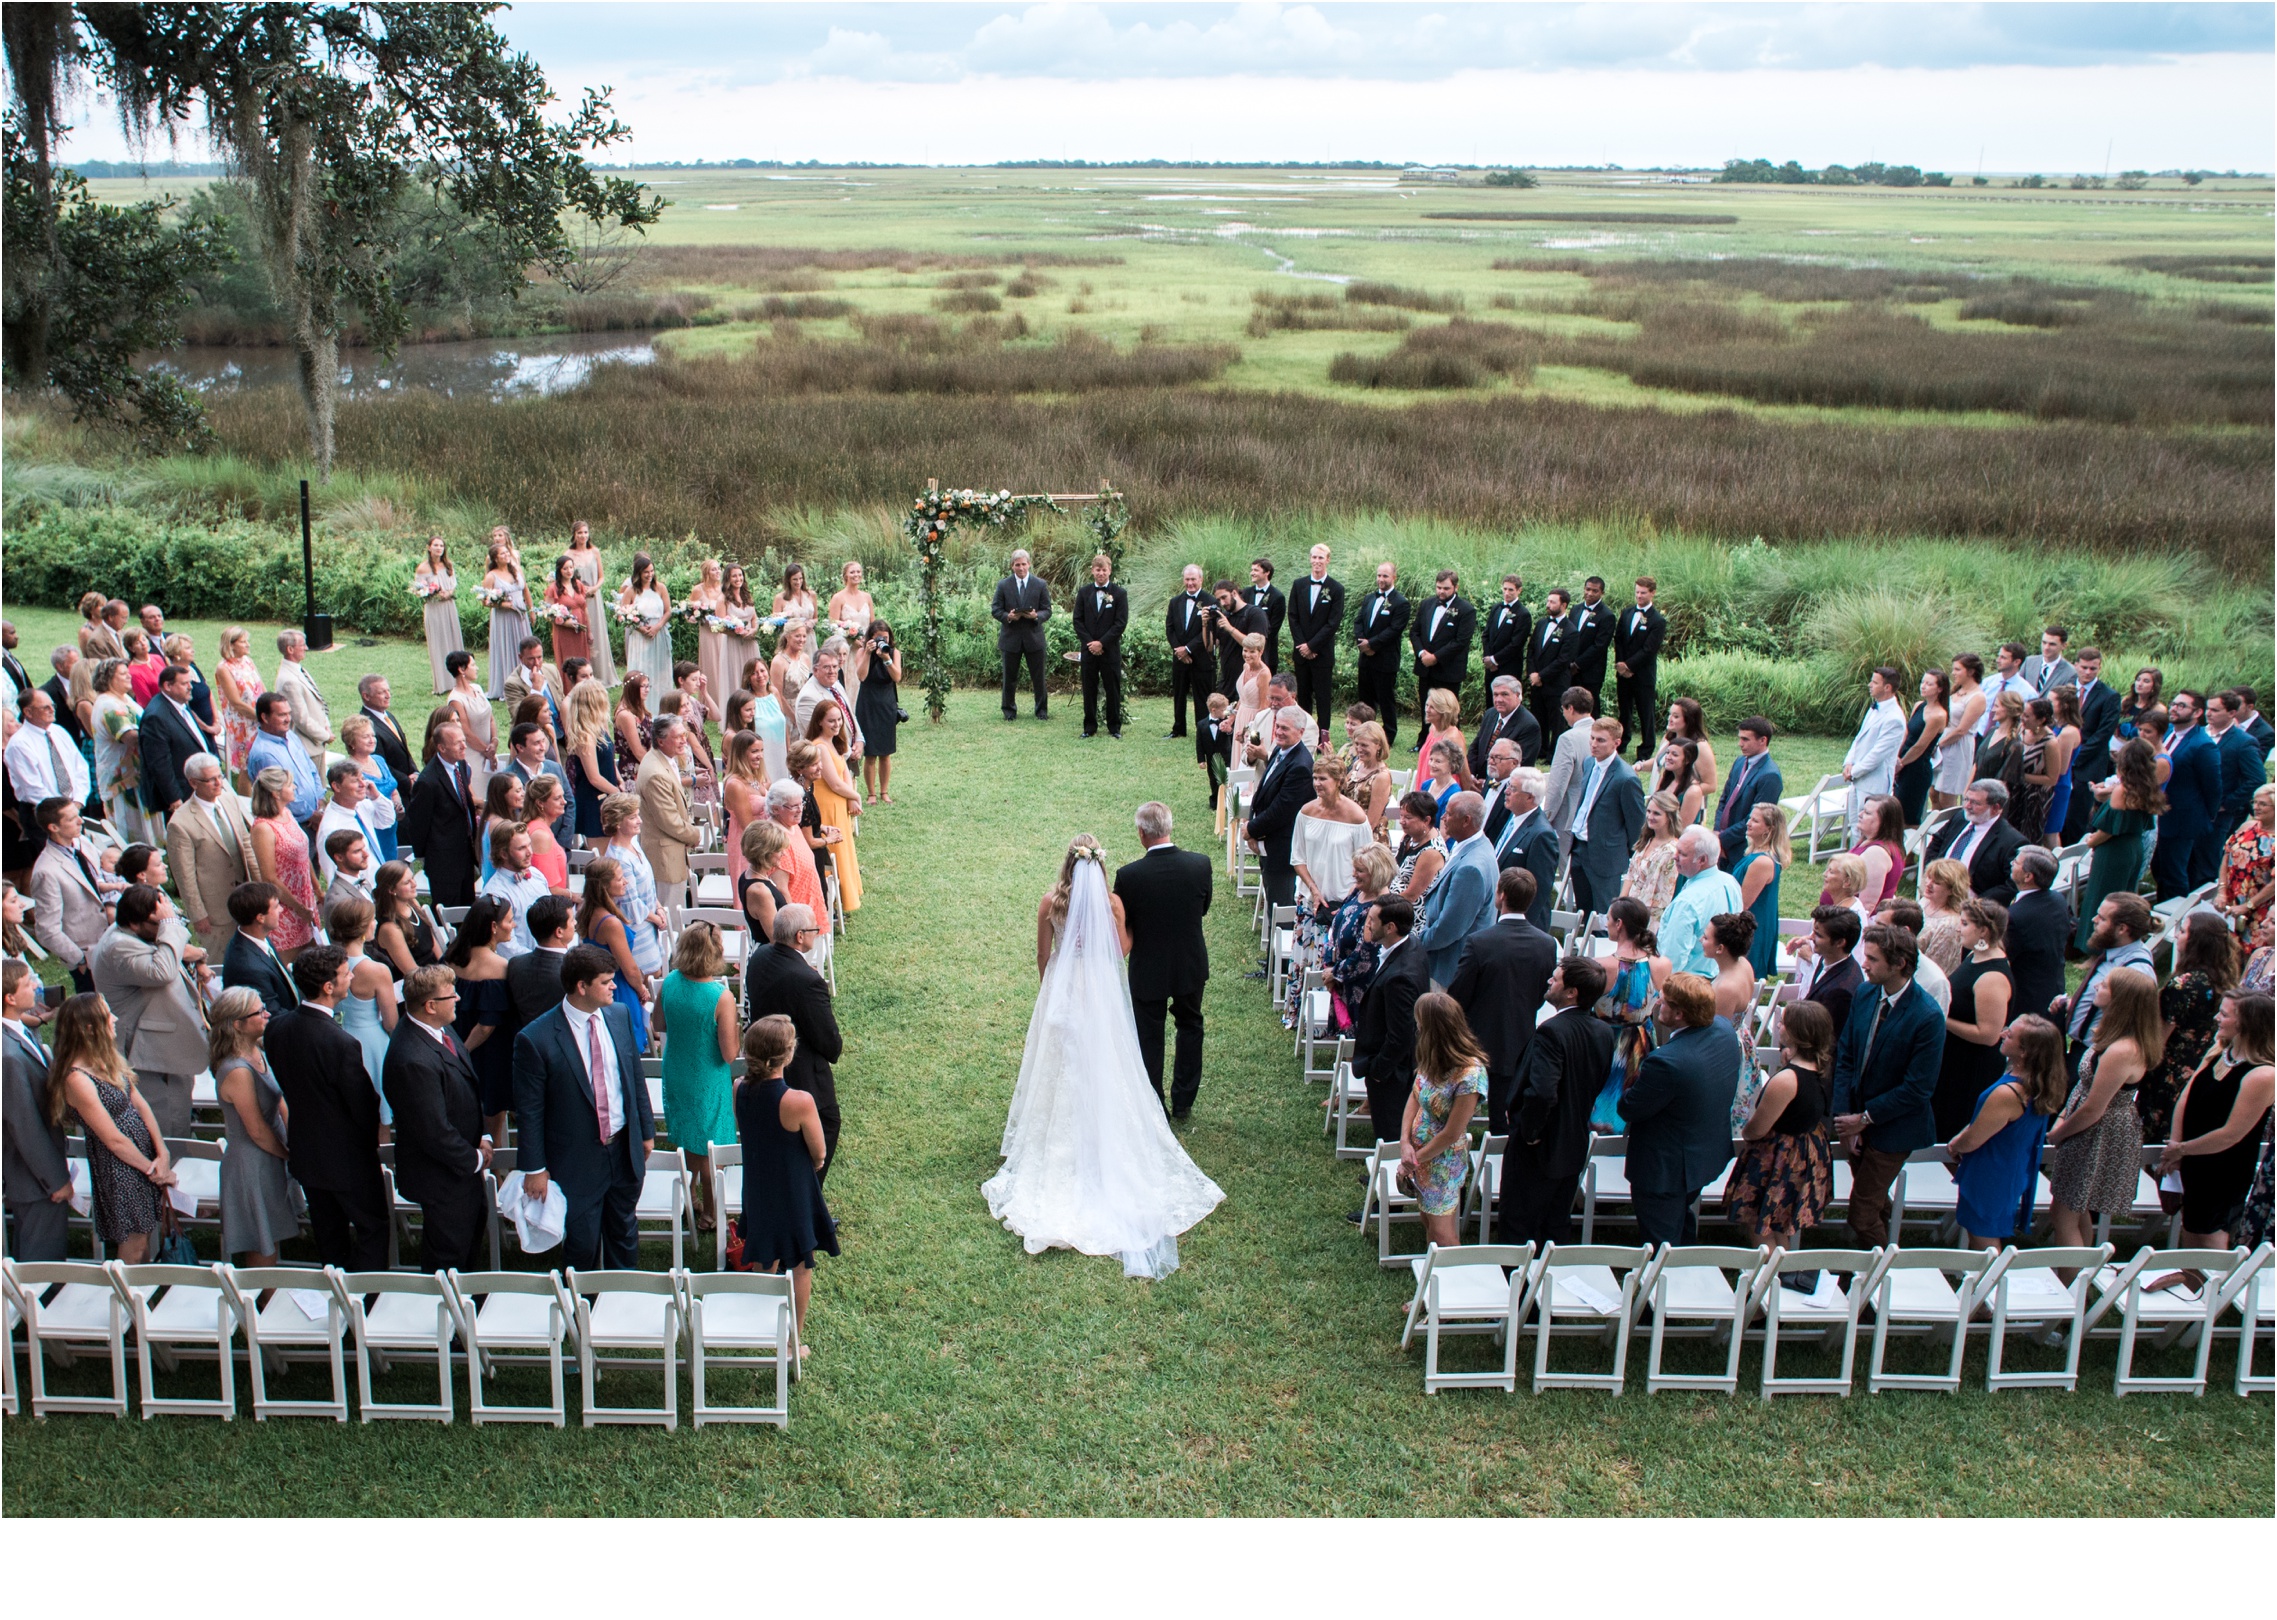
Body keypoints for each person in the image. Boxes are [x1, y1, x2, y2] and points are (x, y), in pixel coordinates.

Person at [986, 838, 1223, 1277]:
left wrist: (1051, 988)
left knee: (1059, 1066)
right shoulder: (1112, 903)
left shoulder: (1048, 902)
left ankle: (1059, 1141)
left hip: (1062, 990)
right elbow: (1119, 951)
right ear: (1099, 868)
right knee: (1107, 1061)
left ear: (1067, 865)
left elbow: (1043, 954)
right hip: (1097, 993)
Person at [1830, 923, 1947, 1249]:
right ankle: (1864, 1265)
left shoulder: (1927, 1016)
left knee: (1862, 1213)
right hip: (1854, 1121)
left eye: (1872, 959)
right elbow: (1847, 1055)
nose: (1863, 964)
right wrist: (1845, 1118)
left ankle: (1881, 1277)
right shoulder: (1866, 993)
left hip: (1893, 1128)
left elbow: (1918, 1089)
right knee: (1872, 1200)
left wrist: (1864, 1119)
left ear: (1900, 964)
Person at [734, 1013, 837, 1343]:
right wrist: (816, 1161)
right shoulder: (799, 1101)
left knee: (767, 1254)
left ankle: (766, 1324)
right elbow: (819, 1152)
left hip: (758, 1186)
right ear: (788, 1054)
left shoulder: (739, 1088)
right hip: (792, 1189)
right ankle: (793, 1340)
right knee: (800, 1267)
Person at [383, 963, 491, 1272]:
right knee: (448, 1254)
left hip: (459, 1168)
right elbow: (433, 1130)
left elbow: (467, 1085)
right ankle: (449, 1310)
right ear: (430, 1006)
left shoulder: (439, 1028)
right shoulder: (412, 1059)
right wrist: (475, 1158)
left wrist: (482, 1134)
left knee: (468, 1238)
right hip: (440, 1176)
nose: (457, 998)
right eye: (450, 995)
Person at [51, 993, 173, 1262]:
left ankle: (139, 1294)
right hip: (120, 1166)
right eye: (107, 1014)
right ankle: (126, 1298)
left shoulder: (108, 1058)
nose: (114, 1019)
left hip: (142, 1158)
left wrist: (162, 1153)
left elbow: (141, 1105)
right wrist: (153, 1170)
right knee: (134, 1242)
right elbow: (113, 1139)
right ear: (89, 1027)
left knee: (146, 1233)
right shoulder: (77, 1078)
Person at [1620, 972, 1739, 1247]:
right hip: (1703, 1155)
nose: (1658, 1002)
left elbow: (1630, 1107)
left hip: (1665, 1170)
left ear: (1679, 1014)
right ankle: (1686, 1259)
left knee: (1662, 1243)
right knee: (1681, 1217)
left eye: (1664, 1000)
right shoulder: (1723, 1029)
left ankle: (1663, 1284)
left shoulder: (1667, 1062)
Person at [2046, 965, 2160, 1250]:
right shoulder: (2112, 1035)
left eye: (2105, 985)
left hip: (2098, 1133)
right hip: (2088, 1127)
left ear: (2122, 999)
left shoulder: (2123, 1050)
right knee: (2076, 1207)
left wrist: (2059, 1134)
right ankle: (2080, 1277)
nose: (2096, 986)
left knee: (2063, 1215)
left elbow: (2094, 1108)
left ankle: (2072, 1286)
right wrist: (2062, 1115)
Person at [87, 883, 208, 1138]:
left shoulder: (133, 935)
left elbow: (169, 952)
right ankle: (173, 1162)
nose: (164, 928)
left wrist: (195, 952)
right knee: (167, 1114)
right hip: (146, 1051)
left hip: (161, 1044)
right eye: (158, 923)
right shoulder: (119, 946)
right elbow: (162, 971)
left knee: (178, 1104)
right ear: (134, 923)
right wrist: (171, 926)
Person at [2160, 991, 2275, 1252]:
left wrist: (2182, 1149)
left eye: (2224, 1014)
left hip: (2224, 1169)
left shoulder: (2262, 1074)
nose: (2216, 1018)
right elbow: (2186, 1095)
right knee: (2190, 1231)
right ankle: (2192, 1288)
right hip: (2194, 1159)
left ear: (2246, 1023)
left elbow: (2230, 1134)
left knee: (2211, 1237)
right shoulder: (2221, 1050)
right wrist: (2177, 1147)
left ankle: (2215, 1290)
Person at [1448, 867, 1558, 1135]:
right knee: (1503, 1114)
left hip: (1475, 1040)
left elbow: (1458, 994)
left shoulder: (1479, 942)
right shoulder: (1547, 944)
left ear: (1501, 895)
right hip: (1520, 1037)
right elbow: (1543, 991)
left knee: (1454, 1107)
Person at [1727, 997, 1835, 1259]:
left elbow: (1756, 1129)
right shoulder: (1820, 1066)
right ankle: (1784, 1271)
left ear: (1799, 1033)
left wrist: (1747, 1131)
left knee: (1758, 1221)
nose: (1779, 1027)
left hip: (1778, 1157)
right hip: (1804, 1151)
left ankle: (1769, 1280)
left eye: (1784, 1023)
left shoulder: (1787, 1081)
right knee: (1778, 1219)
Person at [1947, 1014, 2065, 1249]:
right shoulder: (2037, 1084)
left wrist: (1955, 1144)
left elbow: (1972, 1139)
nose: (2002, 1034)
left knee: (1983, 1238)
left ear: (2024, 1052)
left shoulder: (2008, 1094)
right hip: (2010, 1167)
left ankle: (1989, 1284)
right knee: (1984, 1233)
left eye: (2009, 1035)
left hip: (1990, 1172)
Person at [742, 907, 845, 1176]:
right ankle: (809, 1194)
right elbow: (830, 1044)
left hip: (761, 1058)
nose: (818, 933)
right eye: (814, 930)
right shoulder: (808, 981)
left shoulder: (760, 955)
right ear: (800, 936)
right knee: (827, 1124)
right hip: (799, 1071)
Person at [201, 987, 295, 1265]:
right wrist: (290, 1155)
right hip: (252, 1161)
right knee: (261, 1239)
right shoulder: (237, 1071)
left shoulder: (257, 1050)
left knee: (272, 1232)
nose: (267, 1014)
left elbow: (280, 1103)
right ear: (238, 1024)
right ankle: (264, 1300)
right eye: (259, 1011)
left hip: (270, 1149)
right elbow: (255, 1129)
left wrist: (293, 1137)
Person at [657, 920, 740, 1233]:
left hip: (677, 1068)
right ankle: (711, 1213)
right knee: (710, 1147)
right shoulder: (720, 996)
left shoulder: (671, 982)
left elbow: (659, 1024)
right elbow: (730, 1054)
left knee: (684, 1131)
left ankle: (690, 1194)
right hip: (707, 1076)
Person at [1394, 991, 1487, 1250]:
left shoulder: (1470, 1074)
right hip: (1417, 1156)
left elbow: (1451, 1133)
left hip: (1441, 1163)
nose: (1417, 1028)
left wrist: (1412, 1162)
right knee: (1428, 1222)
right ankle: (1434, 1279)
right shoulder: (1431, 1054)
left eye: (1420, 1024)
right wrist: (1404, 1142)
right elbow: (1415, 1094)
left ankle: (1456, 1283)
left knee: (1443, 1235)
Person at [1285, 751, 1375, 1021]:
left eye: (1322, 778)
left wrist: (1350, 896)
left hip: (1341, 902)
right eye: (1314, 777)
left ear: (1339, 780)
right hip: (1309, 898)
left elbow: (1368, 861)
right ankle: (1300, 1013)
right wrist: (1312, 889)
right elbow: (1297, 858)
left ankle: (1330, 1021)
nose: (1317, 783)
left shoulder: (1357, 817)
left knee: (1331, 961)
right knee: (1305, 957)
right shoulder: (1306, 811)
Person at [2140, 910, 2239, 1143]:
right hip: (2200, 1067)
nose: (2178, 935)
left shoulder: (2183, 985)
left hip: (2167, 1072)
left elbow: (2160, 1037)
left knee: (2151, 1140)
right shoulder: (2222, 979)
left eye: (2183, 931)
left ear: (2197, 942)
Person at [1351, 896, 1429, 1158]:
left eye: (1373, 920)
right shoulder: (1411, 946)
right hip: (1394, 1065)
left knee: (1391, 1129)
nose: (1368, 924)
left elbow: (1400, 1035)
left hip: (1393, 1071)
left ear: (1391, 927)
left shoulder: (1400, 978)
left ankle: (1387, 1189)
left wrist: (1378, 1071)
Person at [2, 961, 71, 1259]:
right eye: (28, 982)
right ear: (10, 998)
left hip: (35, 1174)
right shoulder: (8, 1055)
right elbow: (24, 1124)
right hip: (33, 1179)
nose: (35, 985)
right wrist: (54, 1179)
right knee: (41, 1264)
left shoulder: (19, 1032)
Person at [1934, 897, 2014, 1138]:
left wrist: (1941, 1019)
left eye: (1965, 923)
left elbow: (1988, 1035)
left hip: (1970, 1067)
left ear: (1984, 931)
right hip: (1954, 1057)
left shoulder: (1992, 977)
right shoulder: (1974, 955)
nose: (1959, 928)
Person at [27, 797, 112, 990]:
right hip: (89, 959)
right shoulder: (46, 871)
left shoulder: (83, 843)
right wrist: (80, 959)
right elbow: (47, 930)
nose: (81, 821)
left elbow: (100, 881)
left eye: (78, 815)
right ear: (54, 827)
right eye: (72, 819)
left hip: (113, 943)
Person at [575, 856, 655, 1054]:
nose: (625, 882)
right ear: (604, 886)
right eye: (620, 879)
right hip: (619, 987)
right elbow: (628, 967)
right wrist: (641, 988)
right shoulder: (610, 923)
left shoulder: (587, 910)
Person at [1243, 707, 1316, 916]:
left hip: (1284, 846)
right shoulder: (1279, 750)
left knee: (1281, 906)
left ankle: (1279, 947)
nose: (1279, 732)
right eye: (1277, 726)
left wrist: (1252, 829)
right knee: (1271, 897)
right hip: (1268, 838)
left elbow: (1282, 810)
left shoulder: (1301, 766)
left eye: (1285, 728)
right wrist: (1252, 826)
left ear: (1301, 732)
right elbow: (1262, 791)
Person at [402, 719, 481, 907]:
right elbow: (418, 823)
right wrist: (428, 856)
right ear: (442, 748)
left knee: (467, 907)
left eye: (464, 740)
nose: (464, 746)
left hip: (465, 852)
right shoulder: (428, 782)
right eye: (457, 743)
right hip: (443, 862)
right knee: (450, 909)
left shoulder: (459, 765)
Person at [2152, 689, 2222, 900]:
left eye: (2182, 706)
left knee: (2174, 872)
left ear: (2198, 712)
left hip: (2183, 817)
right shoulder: (2168, 733)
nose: (2174, 708)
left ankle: (2175, 918)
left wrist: (2207, 815)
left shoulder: (2203, 745)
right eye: (2173, 703)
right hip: (2159, 811)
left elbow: (2213, 786)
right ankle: (2160, 908)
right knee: (2158, 867)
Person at [246, 764, 318, 955]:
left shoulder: (287, 813)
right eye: (290, 785)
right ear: (276, 793)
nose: (294, 787)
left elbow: (303, 854)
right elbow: (269, 877)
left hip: (305, 898)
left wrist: (317, 889)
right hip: (286, 905)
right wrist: (299, 908)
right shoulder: (263, 828)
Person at [801, 705, 864, 914]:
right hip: (827, 806)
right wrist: (856, 796)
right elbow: (834, 783)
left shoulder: (833, 743)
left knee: (844, 850)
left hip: (839, 803)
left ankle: (845, 897)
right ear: (820, 722)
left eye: (839, 720)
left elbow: (845, 771)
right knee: (835, 852)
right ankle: (834, 900)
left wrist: (851, 800)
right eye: (831, 721)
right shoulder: (819, 747)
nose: (837, 724)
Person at [1659, 827, 1745, 979]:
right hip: (1721, 975)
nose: (1674, 857)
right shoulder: (1730, 882)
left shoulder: (1687, 903)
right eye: (1676, 850)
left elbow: (1672, 959)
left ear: (1702, 860)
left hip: (1688, 985)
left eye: (1683, 854)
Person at [1925, 778, 2027, 904]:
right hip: (1936, 892)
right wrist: (1932, 874)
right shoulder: (1960, 818)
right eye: (1966, 799)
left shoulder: (2012, 841)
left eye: (1975, 803)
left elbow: (2013, 884)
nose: (1967, 806)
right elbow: (1937, 842)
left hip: (1971, 903)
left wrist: (1978, 901)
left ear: (1995, 808)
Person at [1350, 562, 1410, 747]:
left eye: (1385, 576)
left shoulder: (1401, 603)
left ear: (1394, 578)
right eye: (1379, 576)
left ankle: (1388, 735)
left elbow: (1394, 630)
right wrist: (1362, 642)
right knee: (1365, 699)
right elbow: (1358, 621)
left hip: (1385, 659)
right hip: (1366, 658)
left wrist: (1373, 644)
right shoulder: (1369, 598)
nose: (1381, 579)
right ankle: (1365, 732)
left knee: (1386, 699)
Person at [988, 548, 1052, 720]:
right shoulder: (1003, 585)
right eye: (1017, 565)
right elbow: (995, 609)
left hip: (1034, 638)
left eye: (1024, 564)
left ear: (1029, 564)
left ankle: (1041, 711)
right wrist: (1007, 616)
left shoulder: (1040, 584)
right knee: (1009, 679)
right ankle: (1009, 712)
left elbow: (1047, 610)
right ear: (1012, 566)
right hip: (1011, 639)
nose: (1021, 568)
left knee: (1039, 679)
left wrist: (1036, 616)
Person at [1286, 544, 1344, 733]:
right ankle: (1303, 732)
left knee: (1323, 697)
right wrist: (1302, 645)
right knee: (1303, 695)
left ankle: (1323, 736)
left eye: (1321, 558)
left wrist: (1312, 646)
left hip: (1322, 653)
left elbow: (1333, 623)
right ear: (1310, 559)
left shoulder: (1336, 588)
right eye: (1314, 557)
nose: (1317, 561)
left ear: (1328, 560)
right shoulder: (1299, 584)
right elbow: (1292, 617)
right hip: (1301, 652)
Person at [1841, 666, 1907, 834]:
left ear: (1887, 687)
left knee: (1868, 830)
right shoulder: (1875, 708)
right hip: (1857, 777)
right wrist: (1848, 762)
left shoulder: (1894, 718)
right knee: (1855, 827)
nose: (1870, 685)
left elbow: (1878, 754)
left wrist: (1854, 771)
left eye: (1875, 682)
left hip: (1874, 782)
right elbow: (1859, 738)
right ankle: (1853, 859)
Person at [1713, 716, 1783, 870]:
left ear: (1762, 740)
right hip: (1722, 844)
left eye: (1745, 739)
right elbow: (1724, 799)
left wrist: (1723, 838)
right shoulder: (1739, 762)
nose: (1740, 744)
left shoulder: (1770, 775)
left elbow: (1757, 818)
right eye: (1740, 738)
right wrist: (1717, 831)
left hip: (1741, 848)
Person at [136, 661, 204, 819]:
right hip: (181, 794)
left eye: (190, 682)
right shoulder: (156, 717)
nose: (190, 686)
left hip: (195, 786)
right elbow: (159, 763)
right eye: (184, 683)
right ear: (168, 686)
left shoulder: (179, 703)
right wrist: (174, 797)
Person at [2216, 781, 2275, 946]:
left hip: (2260, 907)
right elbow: (2227, 856)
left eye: (2262, 804)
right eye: (2254, 802)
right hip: (2231, 901)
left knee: (2251, 951)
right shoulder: (2246, 827)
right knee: (2225, 949)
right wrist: (2221, 891)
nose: (2256, 807)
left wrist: (2248, 905)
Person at [852, 617, 904, 799]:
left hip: (886, 702)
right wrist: (867, 653)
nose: (883, 641)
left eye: (886, 637)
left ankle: (884, 791)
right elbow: (862, 676)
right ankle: (871, 793)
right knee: (871, 753)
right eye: (879, 638)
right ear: (870, 638)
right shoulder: (862, 651)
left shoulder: (894, 653)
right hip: (868, 702)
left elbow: (897, 677)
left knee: (885, 752)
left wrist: (887, 658)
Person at [1734, 803, 1788, 978]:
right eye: (1750, 818)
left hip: (1751, 927)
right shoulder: (1754, 853)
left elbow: (1743, 903)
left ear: (1769, 829)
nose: (1748, 823)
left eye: (1755, 821)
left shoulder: (1762, 862)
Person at [271, 627, 334, 772]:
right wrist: (325, 735)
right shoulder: (289, 680)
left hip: (315, 743)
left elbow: (317, 701)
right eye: (302, 645)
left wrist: (326, 724)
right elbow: (301, 719)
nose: (306, 648)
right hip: (307, 746)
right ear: (290, 649)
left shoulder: (298, 670)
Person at [1620, 790, 1683, 932]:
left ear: (1669, 816)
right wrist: (1621, 902)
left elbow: (1659, 895)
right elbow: (1631, 874)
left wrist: (1633, 915)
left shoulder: (1671, 851)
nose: (1650, 816)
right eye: (1648, 811)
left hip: (1648, 918)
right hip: (1630, 908)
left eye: (1656, 813)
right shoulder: (1646, 840)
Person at [1894, 668, 1948, 827]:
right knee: (1895, 809)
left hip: (1916, 767)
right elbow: (1907, 734)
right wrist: (1897, 756)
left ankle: (1909, 850)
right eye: (1923, 682)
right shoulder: (1919, 706)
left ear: (1939, 689)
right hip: (1903, 759)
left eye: (1929, 684)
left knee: (1908, 815)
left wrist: (1901, 763)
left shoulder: (1938, 715)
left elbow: (1920, 746)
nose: (1923, 686)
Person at [616, 550, 674, 693]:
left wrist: (658, 627)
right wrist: (640, 628)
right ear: (638, 573)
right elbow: (623, 615)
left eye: (652, 571)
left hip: (658, 632)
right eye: (646, 572)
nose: (650, 575)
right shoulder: (631, 591)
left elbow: (668, 611)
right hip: (640, 636)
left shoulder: (660, 588)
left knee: (659, 668)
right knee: (642, 668)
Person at [413, 535, 465, 694]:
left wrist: (448, 593)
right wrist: (432, 593)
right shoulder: (423, 568)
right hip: (434, 608)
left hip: (449, 606)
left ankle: (459, 678)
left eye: (441, 545)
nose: (439, 548)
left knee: (453, 638)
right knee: (438, 642)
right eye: (435, 545)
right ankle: (442, 683)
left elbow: (453, 585)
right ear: (429, 547)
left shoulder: (448, 565)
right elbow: (418, 590)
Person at [1839, 794, 1905, 907]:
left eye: (1867, 813)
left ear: (1885, 822)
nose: (1860, 815)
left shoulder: (1876, 853)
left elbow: (1867, 905)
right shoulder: (1869, 841)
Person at [1651, 736, 1706, 830]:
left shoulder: (1693, 791)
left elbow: (1681, 828)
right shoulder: (1665, 780)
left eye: (1674, 755)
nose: (1668, 757)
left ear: (1687, 760)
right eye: (1667, 753)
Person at [769, 620, 815, 714]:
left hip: (804, 708)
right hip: (786, 711)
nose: (801, 640)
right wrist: (793, 718)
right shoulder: (778, 662)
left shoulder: (805, 658)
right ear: (787, 637)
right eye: (797, 636)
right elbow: (778, 695)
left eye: (804, 636)